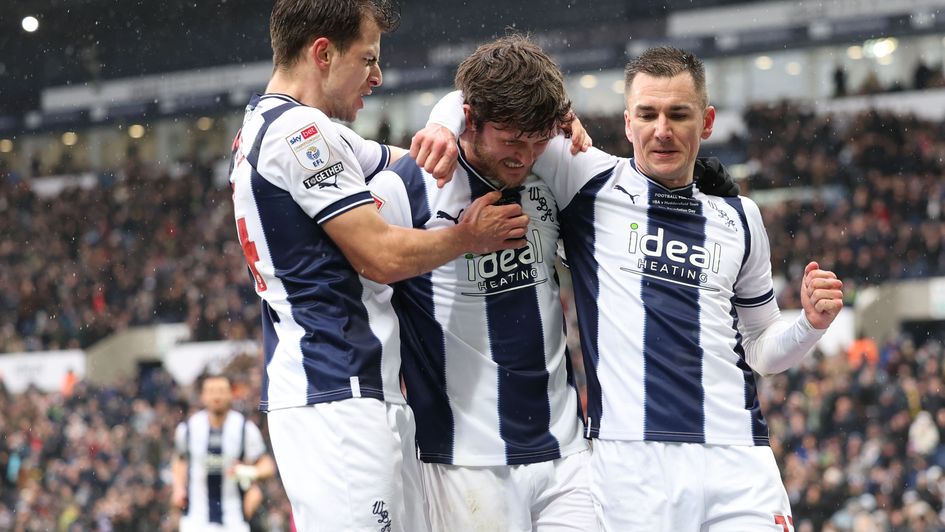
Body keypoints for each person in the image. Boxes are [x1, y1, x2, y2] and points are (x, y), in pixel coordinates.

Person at [421, 46, 842, 530]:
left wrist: (809, 325)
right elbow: (485, 98)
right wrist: (442, 124)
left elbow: (764, 353)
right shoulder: (586, 178)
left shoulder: (741, 218)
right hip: (630, 466)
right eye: (648, 114)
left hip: (739, 457)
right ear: (627, 122)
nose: (661, 130)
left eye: (677, 114)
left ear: (705, 122)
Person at [228, 1, 530, 530]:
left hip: (358, 389)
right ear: (322, 53)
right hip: (334, 392)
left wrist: (465, 123)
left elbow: (417, 165)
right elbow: (381, 257)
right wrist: (467, 237)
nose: (377, 75)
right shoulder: (298, 135)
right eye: (367, 59)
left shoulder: (292, 128)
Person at [369, 35, 594, 531]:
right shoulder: (404, 188)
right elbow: (375, 275)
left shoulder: (549, 168)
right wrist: (462, 239)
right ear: (471, 120)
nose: (524, 156)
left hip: (566, 450)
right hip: (464, 462)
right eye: (511, 140)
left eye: (537, 140)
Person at [172, 374, 276, 532]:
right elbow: (180, 460)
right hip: (196, 520)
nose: (216, 396)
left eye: (221, 390)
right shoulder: (188, 428)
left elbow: (267, 465)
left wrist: (249, 474)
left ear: (230, 394)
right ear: (203, 396)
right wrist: (178, 488)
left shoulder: (244, 428)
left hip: (234, 520)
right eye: (211, 391)